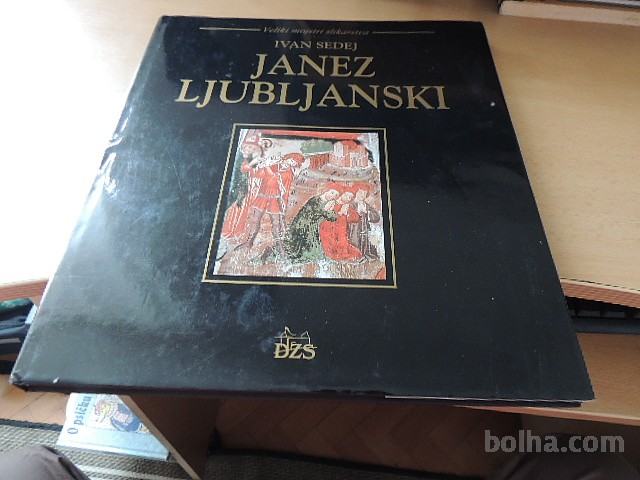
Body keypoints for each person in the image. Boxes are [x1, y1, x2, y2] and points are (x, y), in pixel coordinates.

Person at [284, 189, 339, 263]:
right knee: (305, 245)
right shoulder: (315, 200)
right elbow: (316, 212)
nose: (332, 196)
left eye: (335, 196)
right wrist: (326, 211)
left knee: (314, 244)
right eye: (332, 193)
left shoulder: (327, 204)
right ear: (327, 191)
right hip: (303, 225)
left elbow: (333, 218)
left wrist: (330, 210)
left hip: (312, 227)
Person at [319, 191, 363, 262]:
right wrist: (339, 213)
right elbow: (325, 214)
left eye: (350, 197)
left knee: (353, 252)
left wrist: (348, 212)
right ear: (342, 194)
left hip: (341, 230)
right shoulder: (332, 203)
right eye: (346, 195)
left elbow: (355, 218)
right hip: (329, 228)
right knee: (331, 248)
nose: (348, 198)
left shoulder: (347, 206)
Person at [348, 187, 381, 260]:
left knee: (366, 246)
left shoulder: (366, 205)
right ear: (356, 192)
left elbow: (376, 217)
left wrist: (367, 212)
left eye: (364, 193)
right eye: (361, 192)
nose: (362, 195)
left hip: (365, 230)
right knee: (354, 245)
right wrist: (357, 213)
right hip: (353, 230)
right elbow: (349, 218)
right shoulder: (351, 204)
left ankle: (364, 254)